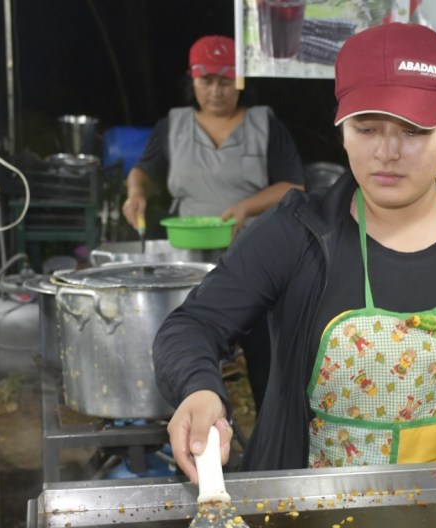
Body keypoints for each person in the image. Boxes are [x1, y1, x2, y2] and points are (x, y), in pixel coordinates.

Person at [154, 22, 436, 481]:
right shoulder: (297, 234)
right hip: (315, 524)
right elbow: (191, 325)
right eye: (366, 127)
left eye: (415, 131)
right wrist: (200, 390)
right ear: (341, 127)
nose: (388, 152)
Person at [123, 35, 305, 411]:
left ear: (239, 83)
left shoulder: (264, 123)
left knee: (266, 357)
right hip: (188, 261)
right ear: (193, 81)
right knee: (187, 345)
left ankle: (271, 434)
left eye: (226, 81)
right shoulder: (172, 126)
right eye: (207, 81)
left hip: (257, 259)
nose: (216, 91)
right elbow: (143, 172)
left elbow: (295, 185)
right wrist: (135, 191)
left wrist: (246, 207)